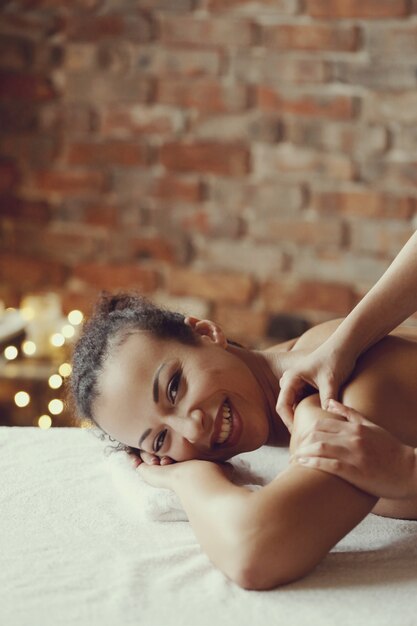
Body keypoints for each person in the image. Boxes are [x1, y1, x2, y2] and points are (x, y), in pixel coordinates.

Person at [70, 292, 417, 590]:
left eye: (174, 387)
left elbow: (253, 548)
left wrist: (184, 477)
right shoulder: (286, 363)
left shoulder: (326, 397)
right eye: (161, 439)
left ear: (206, 333)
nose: (192, 430)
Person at [277, 230, 417, 499]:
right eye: (166, 437)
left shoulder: (349, 400)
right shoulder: (315, 348)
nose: (193, 425)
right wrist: (341, 346)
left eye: (176, 387)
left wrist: (409, 469)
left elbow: (254, 538)